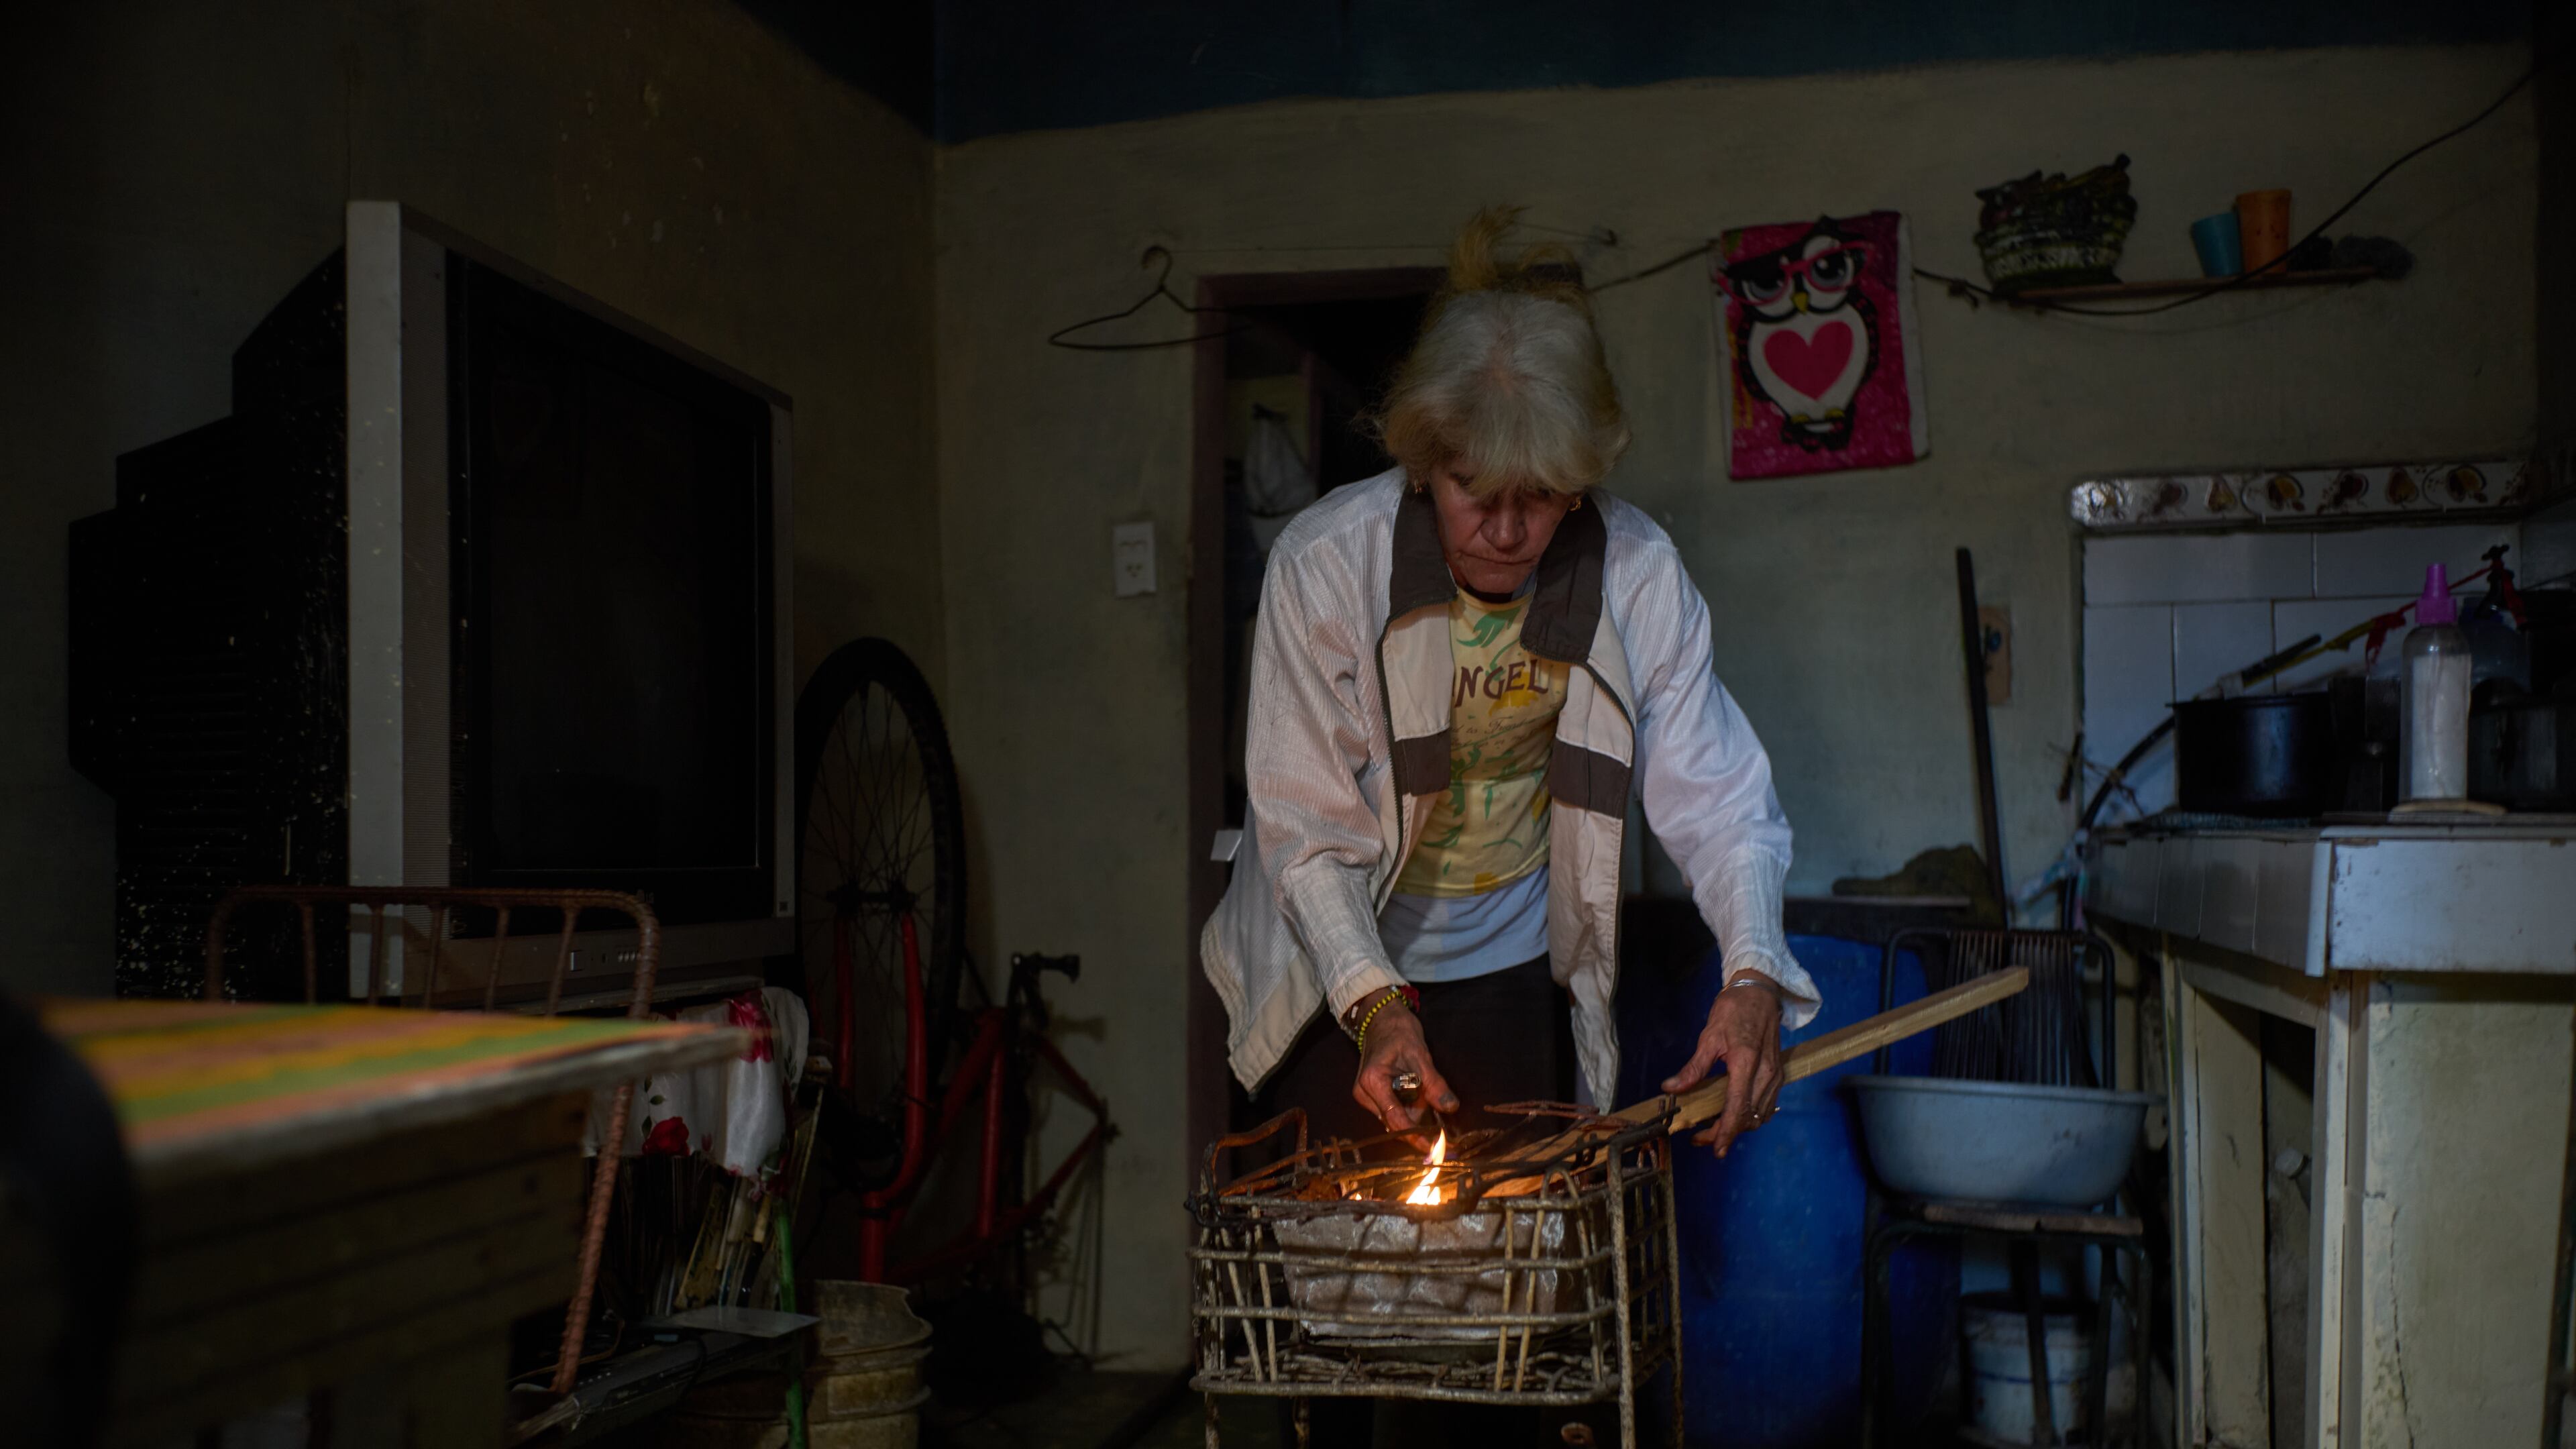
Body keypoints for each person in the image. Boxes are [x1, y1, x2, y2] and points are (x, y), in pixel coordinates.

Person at [1202, 205, 1821, 1181]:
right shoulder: (1326, 568)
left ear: (1577, 482)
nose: (1503, 529)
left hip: (1508, 962)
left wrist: (1753, 973)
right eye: (1470, 489)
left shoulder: (1638, 577)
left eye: (1537, 495)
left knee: (1507, 1278)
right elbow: (1305, 832)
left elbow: (1723, 801)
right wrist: (1376, 1003)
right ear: (1420, 462)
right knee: (1335, 1268)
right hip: (1329, 965)